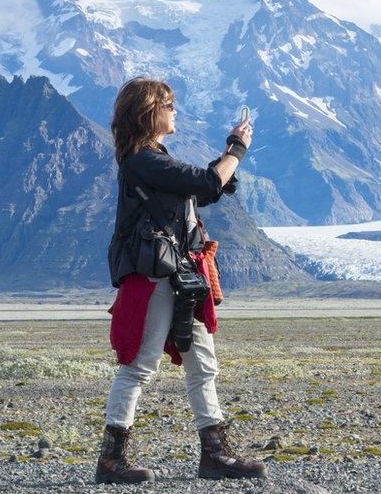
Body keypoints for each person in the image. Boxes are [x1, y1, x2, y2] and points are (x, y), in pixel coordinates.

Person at [97, 77, 264, 484]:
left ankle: (214, 454)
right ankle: (111, 460)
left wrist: (226, 159)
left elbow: (201, 190)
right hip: (156, 273)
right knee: (139, 364)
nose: (175, 110)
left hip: (176, 273)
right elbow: (206, 183)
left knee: (201, 361)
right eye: (169, 104)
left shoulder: (151, 159)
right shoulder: (142, 160)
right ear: (149, 111)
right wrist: (236, 150)